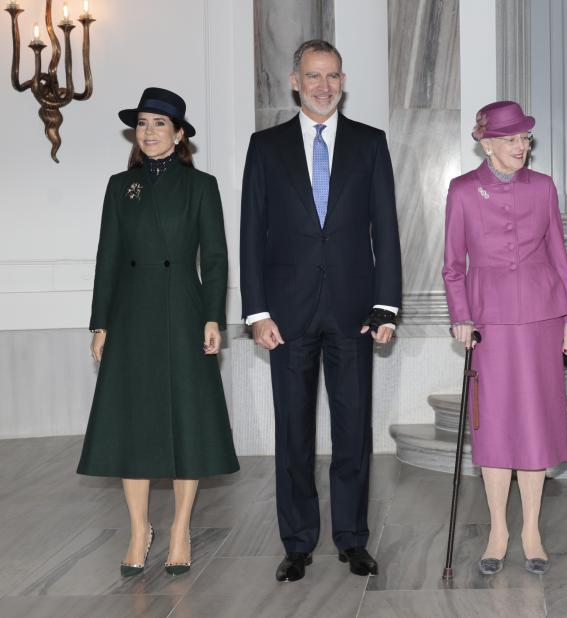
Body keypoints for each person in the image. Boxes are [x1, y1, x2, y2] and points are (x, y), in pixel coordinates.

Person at [240, 39, 402, 583]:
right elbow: (251, 236)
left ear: (343, 80)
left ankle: (353, 539)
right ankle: (298, 542)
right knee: (294, 433)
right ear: (294, 81)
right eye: (313, 76)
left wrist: (386, 306)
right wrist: (256, 311)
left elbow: (387, 230)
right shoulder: (264, 148)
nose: (323, 86)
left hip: (355, 312)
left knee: (354, 430)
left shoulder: (370, 143)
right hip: (286, 317)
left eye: (332, 76)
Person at [77, 87, 239, 577]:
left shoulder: (202, 186)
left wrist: (213, 317)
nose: (148, 132)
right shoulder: (119, 186)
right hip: (130, 315)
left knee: (187, 420)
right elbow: (107, 257)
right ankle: (137, 528)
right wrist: (100, 323)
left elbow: (214, 257)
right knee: (134, 424)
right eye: (142, 123)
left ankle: (180, 528)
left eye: (159, 124)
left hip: (184, 310)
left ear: (180, 133)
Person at [442, 100, 567, 576]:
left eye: (525, 138)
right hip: (490, 323)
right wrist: (461, 316)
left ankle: (532, 530)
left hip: (542, 319)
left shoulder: (542, 187)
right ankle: (499, 529)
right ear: (486, 143)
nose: (522, 146)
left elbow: (559, 255)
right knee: (495, 425)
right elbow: (452, 265)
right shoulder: (461, 191)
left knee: (536, 423)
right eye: (511, 139)